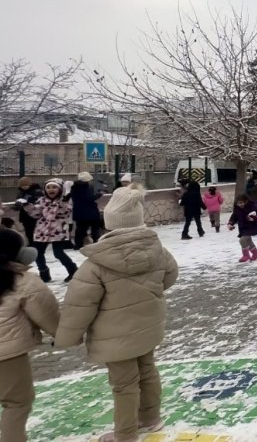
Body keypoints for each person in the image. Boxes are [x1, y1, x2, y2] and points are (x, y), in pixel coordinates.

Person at [55, 185, 178, 442]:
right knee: (148, 371)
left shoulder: (96, 265)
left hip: (115, 336)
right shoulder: (158, 251)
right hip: (148, 326)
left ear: (109, 224)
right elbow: (170, 276)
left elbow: (80, 305)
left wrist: (68, 336)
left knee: (124, 384)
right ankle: (151, 418)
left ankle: (125, 434)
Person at [0, 229, 60, 442]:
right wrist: (62, 335)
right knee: (16, 402)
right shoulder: (22, 281)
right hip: (6, 355)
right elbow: (47, 314)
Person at [19, 178, 77, 283]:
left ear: (60, 189)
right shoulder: (42, 200)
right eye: (48, 187)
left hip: (58, 231)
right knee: (38, 253)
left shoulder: (65, 200)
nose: (51, 189)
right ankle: (44, 272)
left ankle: (73, 270)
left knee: (58, 253)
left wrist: (64, 201)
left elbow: (65, 212)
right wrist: (27, 206)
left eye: (54, 187)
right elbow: (35, 214)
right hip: (42, 230)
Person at [227, 194, 257, 262]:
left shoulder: (251, 207)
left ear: (246, 201)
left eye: (241, 203)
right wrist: (230, 223)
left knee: (242, 240)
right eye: (238, 203)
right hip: (243, 227)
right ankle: (255, 252)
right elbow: (234, 217)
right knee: (248, 241)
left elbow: (256, 216)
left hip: (251, 227)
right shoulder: (237, 209)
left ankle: (246, 255)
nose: (240, 204)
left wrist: (252, 218)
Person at [69, 172, 104, 250]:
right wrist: (99, 195)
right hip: (90, 212)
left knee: (80, 229)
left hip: (79, 212)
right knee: (95, 228)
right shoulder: (86, 187)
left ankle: (78, 244)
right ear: (87, 180)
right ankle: (96, 243)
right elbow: (89, 199)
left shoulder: (74, 187)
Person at [14, 178, 42, 248]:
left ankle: (37, 242)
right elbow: (17, 200)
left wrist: (27, 202)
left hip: (34, 213)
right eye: (22, 185)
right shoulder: (21, 192)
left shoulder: (36, 191)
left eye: (26, 185)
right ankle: (31, 242)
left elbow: (38, 201)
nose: (24, 187)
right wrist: (18, 204)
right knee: (28, 229)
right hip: (24, 214)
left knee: (34, 228)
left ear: (30, 184)